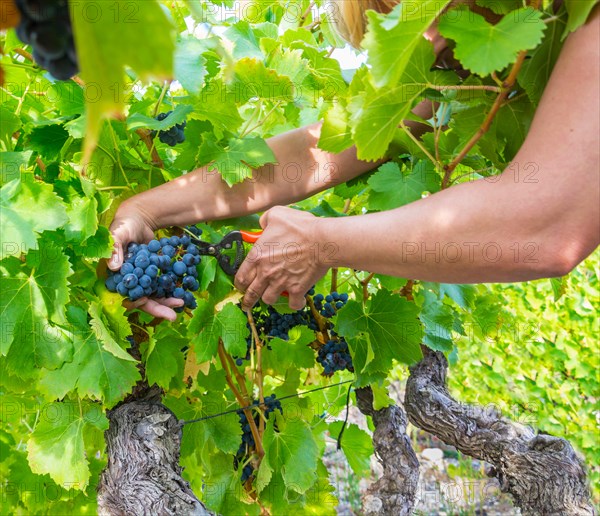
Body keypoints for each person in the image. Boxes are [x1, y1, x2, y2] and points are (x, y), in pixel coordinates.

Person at [108, 0, 600, 321]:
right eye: (397, 26)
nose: (426, 42)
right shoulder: (466, 76)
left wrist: (325, 241)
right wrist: (146, 210)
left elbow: (546, 226)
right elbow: (316, 155)